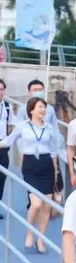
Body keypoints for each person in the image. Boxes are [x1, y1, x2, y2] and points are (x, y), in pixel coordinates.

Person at [0, 97, 58, 254]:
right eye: (40, 107)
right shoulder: (23, 126)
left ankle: (41, 240)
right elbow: (9, 140)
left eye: (44, 107)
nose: (43, 110)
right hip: (30, 165)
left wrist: (56, 173)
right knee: (36, 203)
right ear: (31, 110)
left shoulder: (49, 128)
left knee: (46, 205)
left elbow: (53, 152)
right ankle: (30, 233)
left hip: (46, 165)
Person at [0, 79, 17, 217]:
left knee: (2, 177)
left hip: (2, 145)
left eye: (1, 89)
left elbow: (10, 125)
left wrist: (7, 141)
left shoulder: (7, 106)